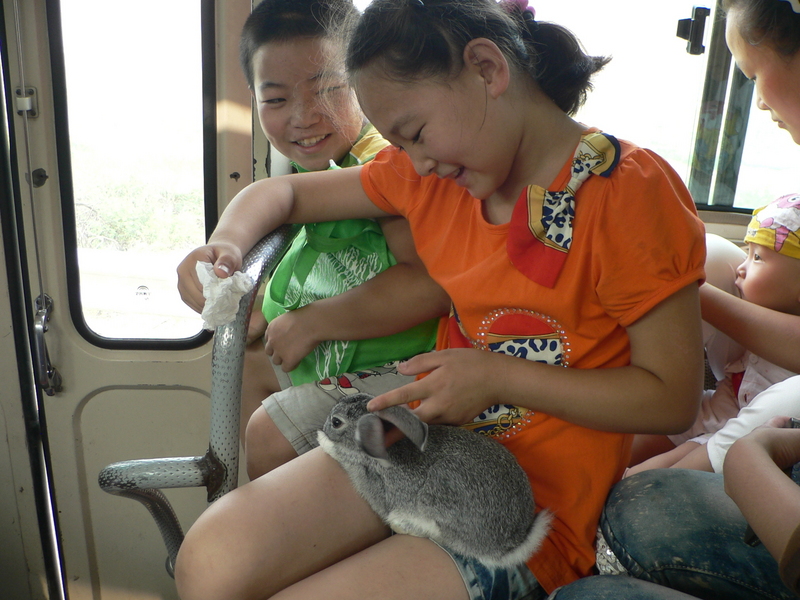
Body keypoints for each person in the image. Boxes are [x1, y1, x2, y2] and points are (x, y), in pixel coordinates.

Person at [173, 1, 706, 598]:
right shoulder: (431, 177)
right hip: (421, 445)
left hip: (530, 512)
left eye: (416, 133)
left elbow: (672, 398)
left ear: (486, 69)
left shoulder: (630, 192)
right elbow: (284, 195)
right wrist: (222, 249)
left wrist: (498, 378)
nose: (416, 160)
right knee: (210, 562)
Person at [561, 1, 800, 599]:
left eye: (752, 78)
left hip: (774, 410)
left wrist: (684, 291)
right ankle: (615, 427)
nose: (760, 103)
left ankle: (638, 471)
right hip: (747, 395)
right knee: (719, 257)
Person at [178, 0, 448, 478]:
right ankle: (253, 508)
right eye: (277, 100)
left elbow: (430, 285)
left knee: (269, 433)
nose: (304, 117)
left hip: (406, 373)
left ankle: (272, 531)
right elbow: (274, 194)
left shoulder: (385, 164)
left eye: (328, 91)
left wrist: (314, 322)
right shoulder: (320, 164)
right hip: (340, 359)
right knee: (246, 361)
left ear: (368, 84)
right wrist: (224, 248)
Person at [626, 195, 800, 477]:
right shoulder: (768, 309)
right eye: (747, 252)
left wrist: (681, 285)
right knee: (630, 436)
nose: (742, 268)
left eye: (757, 258)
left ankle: (627, 492)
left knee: (667, 463)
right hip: (723, 408)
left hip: (752, 432)